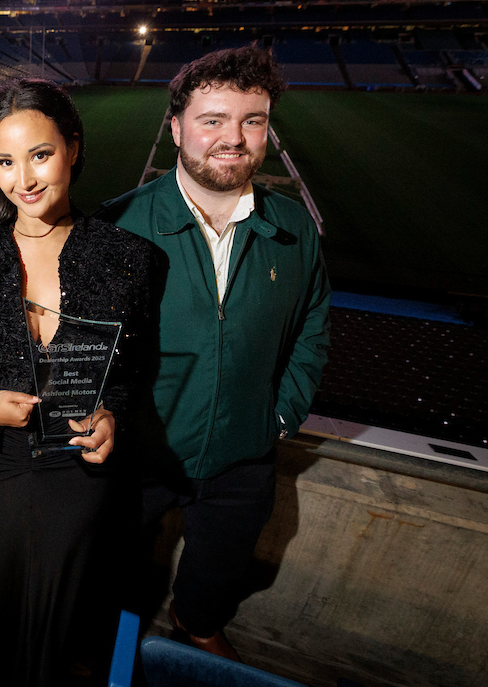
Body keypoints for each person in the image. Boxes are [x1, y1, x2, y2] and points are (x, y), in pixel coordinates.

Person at [0, 79, 155, 686]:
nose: (24, 179)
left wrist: (112, 415)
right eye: (5, 161)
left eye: (40, 155)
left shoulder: (130, 256)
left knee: (58, 624)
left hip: (76, 471)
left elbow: (133, 370)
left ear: (73, 147)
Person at [101, 46, 331, 660]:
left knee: (222, 563)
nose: (233, 138)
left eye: (252, 121)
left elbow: (312, 328)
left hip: (243, 453)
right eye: (213, 120)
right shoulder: (117, 225)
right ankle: (111, 632)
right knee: (115, 565)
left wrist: (279, 415)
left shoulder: (295, 228)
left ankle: (196, 620)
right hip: (138, 453)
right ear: (176, 128)